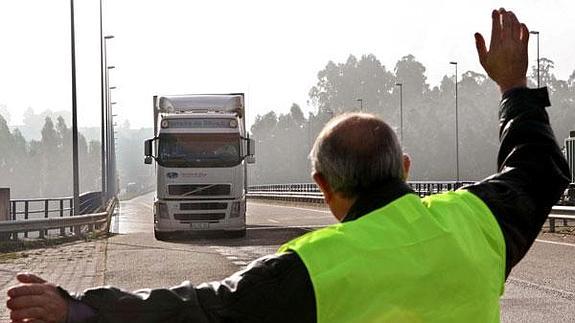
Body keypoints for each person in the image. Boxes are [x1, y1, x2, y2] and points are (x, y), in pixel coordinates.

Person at [6, 8, 569, 323]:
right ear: (404, 165)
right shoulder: (474, 222)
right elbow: (539, 168)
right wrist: (513, 84)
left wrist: (80, 310)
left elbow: (198, 312)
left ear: (323, 187)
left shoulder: (311, 267)